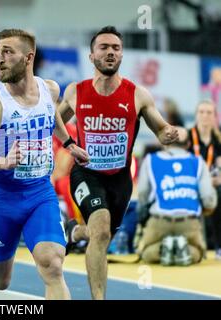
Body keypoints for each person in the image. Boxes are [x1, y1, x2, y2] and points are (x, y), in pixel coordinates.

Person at [0, 29, 87, 300]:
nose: (0, 58)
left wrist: (68, 144)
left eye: (7, 52)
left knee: (52, 264)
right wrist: (2, 161)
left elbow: (51, 114)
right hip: (2, 198)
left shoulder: (49, 89)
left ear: (28, 57)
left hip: (40, 194)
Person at [58, 26, 178, 299]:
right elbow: (54, 120)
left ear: (122, 54)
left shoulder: (138, 95)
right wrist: (69, 145)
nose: (110, 52)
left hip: (120, 179)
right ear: (92, 56)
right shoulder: (76, 92)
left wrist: (167, 133)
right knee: (100, 231)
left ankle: (74, 233)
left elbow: (160, 128)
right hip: (86, 173)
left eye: (115, 48)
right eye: (104, 47)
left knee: (102, 235)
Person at [137, 127, 217, 265]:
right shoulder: (198, 162)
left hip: (159, 220)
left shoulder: (150, 160)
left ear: (165, 142)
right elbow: (208, 199)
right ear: (188, 145)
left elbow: (143, 194)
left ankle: (162, 249)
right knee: (198, 253)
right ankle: (185, 249)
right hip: (189, 221)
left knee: (145, 252)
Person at [188, 99, 221, 260]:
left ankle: (219, 246)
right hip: (189, 184)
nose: (205, 116)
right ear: (196, 115)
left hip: (213, 187)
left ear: (215, 116)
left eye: (209, 112)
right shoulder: (187, 137)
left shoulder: (219, 140)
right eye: (201, 112)